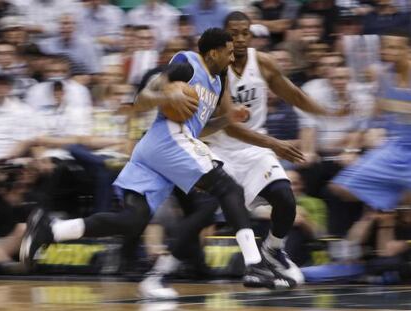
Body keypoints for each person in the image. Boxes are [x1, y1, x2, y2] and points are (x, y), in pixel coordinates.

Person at [20, 28, 296, 290]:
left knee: (132, 220)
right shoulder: (187, 63)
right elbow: (142, 98)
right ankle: (255, 265)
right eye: (228, 51)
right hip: (167, 138)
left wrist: (228, 118)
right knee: (229, 188)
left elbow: (201, 127)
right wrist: (166, 93)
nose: (232, 57)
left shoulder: (218, 81)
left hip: (157, 148)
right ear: (212, 53)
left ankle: (51, 230)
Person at [139, 11, 350, 298]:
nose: (239, 39)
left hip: (254, 150)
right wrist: (275, 143)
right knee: (204, 216)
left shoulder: (262, 63)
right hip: (214, 149)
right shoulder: (211, 72)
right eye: (233, 33)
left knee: (286, 200)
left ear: (251, 36)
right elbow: (231, 128)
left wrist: (328, 112)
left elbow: (295, 95)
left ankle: (273, 251)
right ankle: (158, 274)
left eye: (244, 33)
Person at [330, 30, 411, 215]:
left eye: (396, 47)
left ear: (408, 50)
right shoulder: (382, 76)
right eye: (387, 47)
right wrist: (351, 149)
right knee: (341, 188)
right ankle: (393, 198)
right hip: (394, 148)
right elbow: (371, 118)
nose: (389, 51)